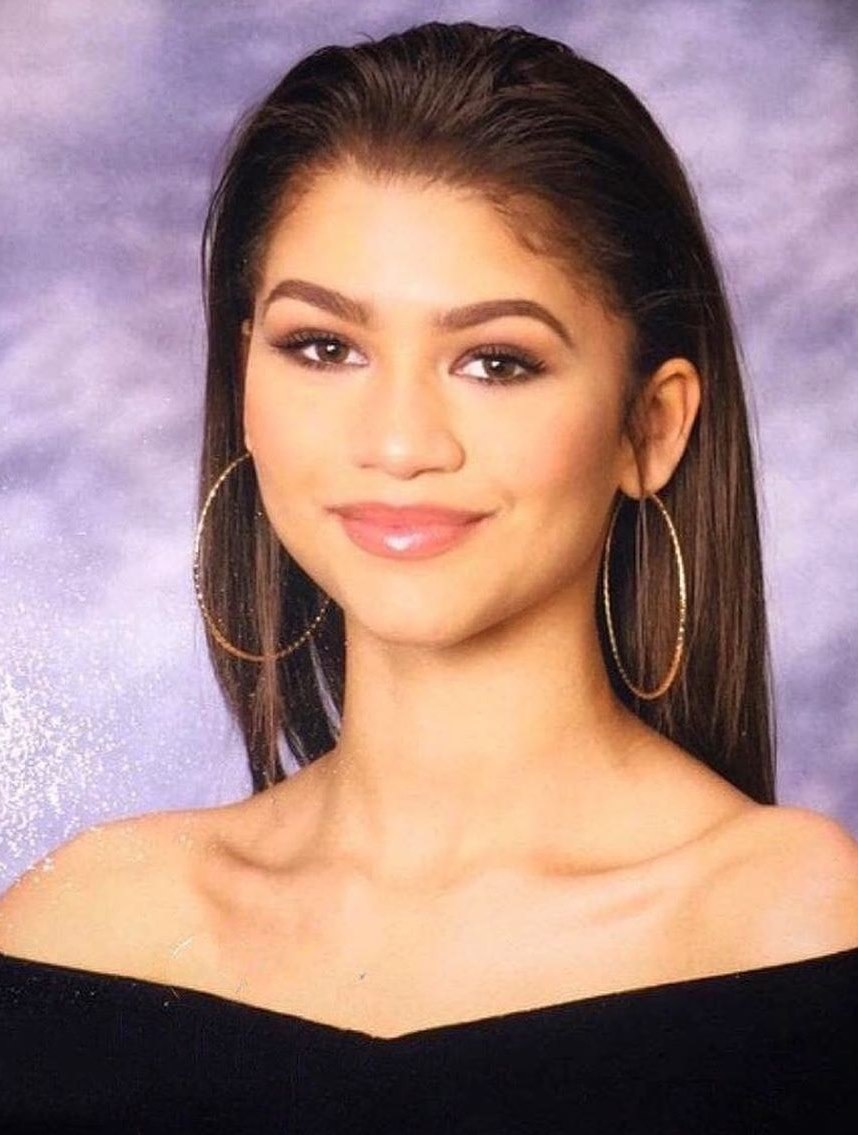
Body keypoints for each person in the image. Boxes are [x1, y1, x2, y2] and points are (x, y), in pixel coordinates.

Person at [1, 18, 857, 1133]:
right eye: (323, 347)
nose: (399, 441)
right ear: (244, 382)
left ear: (650, 428)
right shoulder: (76, 932)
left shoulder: (799, 930)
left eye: (495, 361)